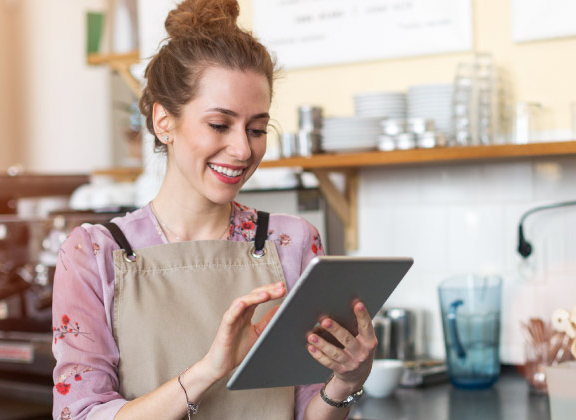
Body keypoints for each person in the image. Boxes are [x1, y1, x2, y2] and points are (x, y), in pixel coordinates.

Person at [51, 1, 376, 419]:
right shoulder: (93, 255)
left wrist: (346, 382)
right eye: (220, 125)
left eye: (257, 129)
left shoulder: (292, 242)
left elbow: (306, 413)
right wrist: (210, 369)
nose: (243, 149)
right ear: (164, 122)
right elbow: (79, 414)